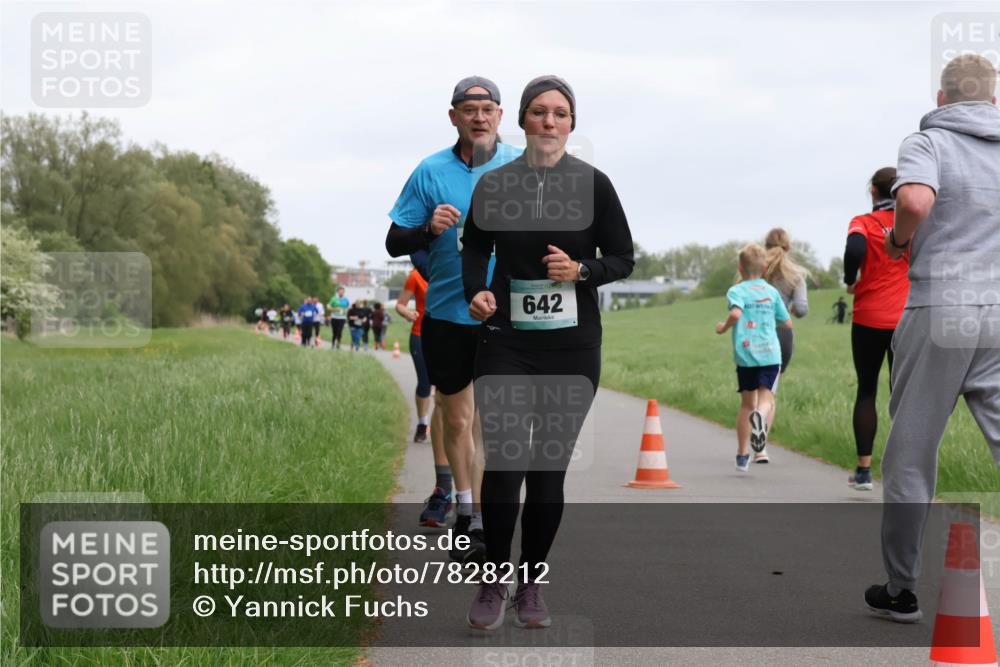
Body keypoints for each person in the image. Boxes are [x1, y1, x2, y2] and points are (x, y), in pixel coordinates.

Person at [462, 75, 634, 630]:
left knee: (548, 469)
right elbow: (476, 247)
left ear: (572, 123)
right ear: (523, 120)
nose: (550, 122)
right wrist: (477, 292)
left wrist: (582, 270)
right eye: (539, 112)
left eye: (560, 113)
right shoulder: (495, 185)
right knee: (507, 462)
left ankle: (532, 583)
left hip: (572, 344)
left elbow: (624, 258)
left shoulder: (595, 185)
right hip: (507, 341)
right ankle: (493, 578)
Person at [865, 54, 1000, 622]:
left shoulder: (929, 141)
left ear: (942, 99)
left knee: (912, 455)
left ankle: (901, 589)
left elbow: (915, 200)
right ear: (993, 101)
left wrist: (899, 238)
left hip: (941, 308)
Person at [385, 76, 521, 566]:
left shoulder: (521, 167)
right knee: (458, 416)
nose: (478, 116)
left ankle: (482, 516)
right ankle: (467, 513)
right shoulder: (430, 170)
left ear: (501, 116)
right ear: (454, 117)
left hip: (506, 313)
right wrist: (427, 228)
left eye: (487, 108)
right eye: (469, 108)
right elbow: (394, 241)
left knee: (490, 424)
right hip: (446, 312)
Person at [842, 167, 910, 492]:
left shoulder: (863, 223)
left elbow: (854, 250)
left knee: (867, 390)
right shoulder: (911, 225)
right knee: (905, 395)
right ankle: (903, 473)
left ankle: (865, 471)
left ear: (873, 191)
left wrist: (849, 279)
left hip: (868, 318)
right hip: (906, 320)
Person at [716, 243, 793, 473]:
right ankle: (760, 416)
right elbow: (787, 322)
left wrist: (723, 327)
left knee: (746, 404)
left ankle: (742, 456)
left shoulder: (736, 290)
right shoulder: (771, 292)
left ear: (740, 266)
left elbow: (736, 312)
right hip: (770, 353)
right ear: (765, 267)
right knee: (766, 398)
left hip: (746, 354)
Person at [397, 263, 453, 527]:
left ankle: (468, 503)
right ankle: (423, 423)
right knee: (427, 386)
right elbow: (400, 304)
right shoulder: (416, 275)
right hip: (422, 334)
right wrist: (407, 313)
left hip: (458, 330)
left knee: (449, 396)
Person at [759, 228, 809, 463]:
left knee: (753, 389)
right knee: (770, 392)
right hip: (781, 335)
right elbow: (801, 309)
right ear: (788, 248)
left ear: (765, 245)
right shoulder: (795, 276)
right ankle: (761, 447)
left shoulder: (756, 270)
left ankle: (752, 431)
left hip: (754, 333)